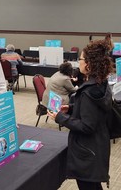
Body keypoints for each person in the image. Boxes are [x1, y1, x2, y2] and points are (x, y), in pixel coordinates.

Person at [48, 39, 114, 190]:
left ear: (90, 64)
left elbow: (86, 126)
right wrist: (71, 109)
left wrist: (60, 117)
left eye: (81, 59)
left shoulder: (88, 91)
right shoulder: (101, 84)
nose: (79, 62)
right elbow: (93, 111)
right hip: (98, 145)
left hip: (87, 151)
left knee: (88, 186)